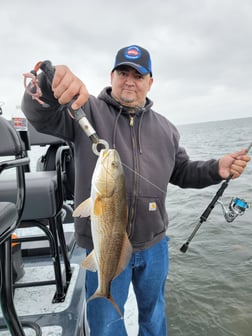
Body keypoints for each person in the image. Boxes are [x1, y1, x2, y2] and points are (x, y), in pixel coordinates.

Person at [21, 45, 250, 336]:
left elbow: (181, 171)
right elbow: (40, 115)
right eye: (123, 72)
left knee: (154, 317)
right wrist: (47, 83)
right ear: (112, 76)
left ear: (150, 82)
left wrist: (216, 168)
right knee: (105, 325)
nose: (130, 80)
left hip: (155, 246)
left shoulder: (166, 129)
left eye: (138, 75)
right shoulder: (85, 109)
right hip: (104, 245)